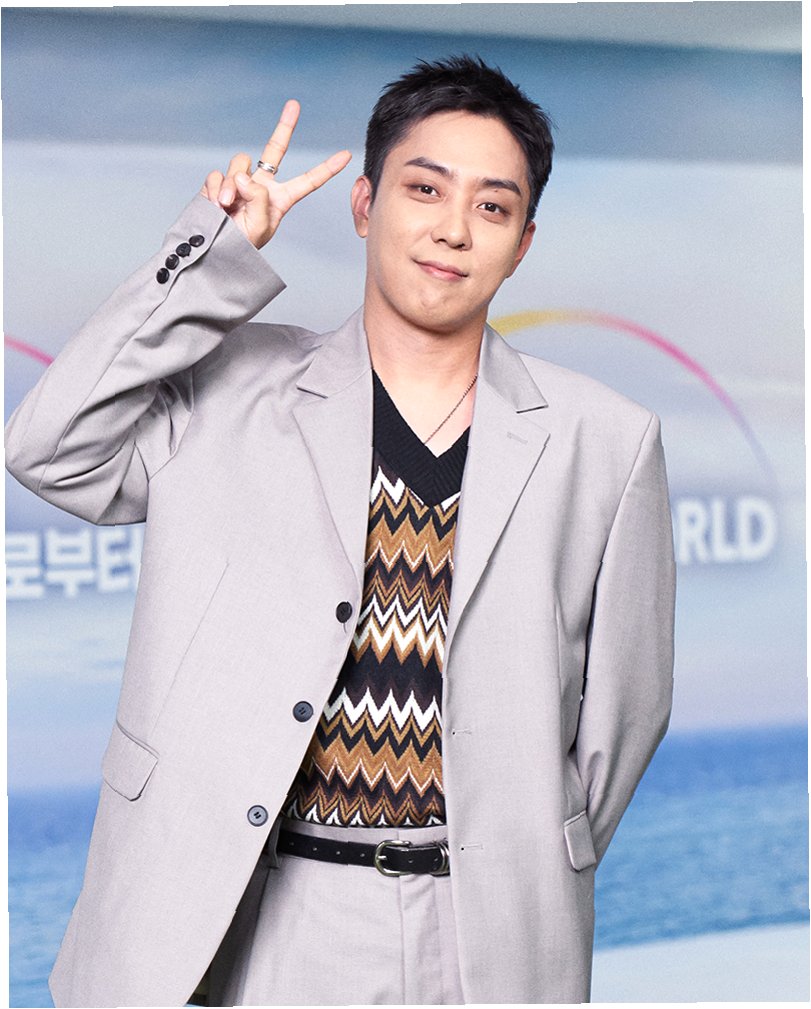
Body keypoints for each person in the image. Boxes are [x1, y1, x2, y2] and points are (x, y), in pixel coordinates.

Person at [5, 55, 675, 1007]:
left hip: (479, 932)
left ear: (523, 243)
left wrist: (514, 855)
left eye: (491, 206)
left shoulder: (605, 440)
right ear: (364, 204)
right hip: (251, 910)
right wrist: (211, 253)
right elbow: (49, 447)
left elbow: (621, 720)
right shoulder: (227, 385)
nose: (452, 228)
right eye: (423, 188)